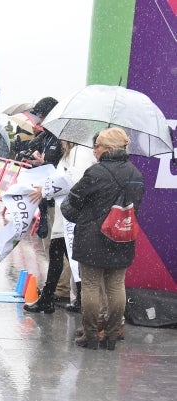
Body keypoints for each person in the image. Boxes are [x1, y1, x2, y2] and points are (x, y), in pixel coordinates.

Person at [61, 127, 144, 350]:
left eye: (96, 146)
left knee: (90, 286)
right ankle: (112, 333)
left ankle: (90, 334)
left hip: (92, 238)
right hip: (122, 236)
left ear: (108, 149)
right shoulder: (136, 174)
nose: (94, 150)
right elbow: (136, 207)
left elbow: (72, 202)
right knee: (116, 286)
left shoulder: (95, 173)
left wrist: (79, 216)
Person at [24, 140, 96, 314]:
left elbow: (74, 180)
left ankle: (60, 298)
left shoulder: (81, 152)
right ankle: (54, 298)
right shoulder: (70, 153)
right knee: (60, 254)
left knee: (69, 255)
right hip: (64, 210)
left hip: (73, 213)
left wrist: (46, 189)